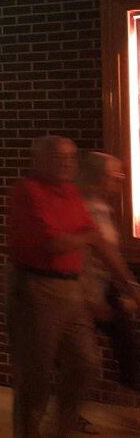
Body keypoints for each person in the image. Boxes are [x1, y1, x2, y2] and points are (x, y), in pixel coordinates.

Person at [7, 136, 140, 438]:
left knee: (86, 363)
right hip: (37, 288)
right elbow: (54, 244)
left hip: (71, 288)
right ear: (39, 159)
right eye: (58, 156)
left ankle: (62, 427)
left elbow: (100, 243)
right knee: (35, 375)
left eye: (71, 157)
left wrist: (130, 285)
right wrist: (88, 240)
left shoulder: (70, 193)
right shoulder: (28, 192)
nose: (67, 162)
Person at [77, 151, 138, 392]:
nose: (121, 179)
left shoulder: (102, 207)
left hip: (102, 288)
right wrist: (95, 298)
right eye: (115, 174)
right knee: (82, 357)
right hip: (87, 291)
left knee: (125, 346)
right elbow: (89, 260)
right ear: (98, 177)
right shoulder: (86, 209)